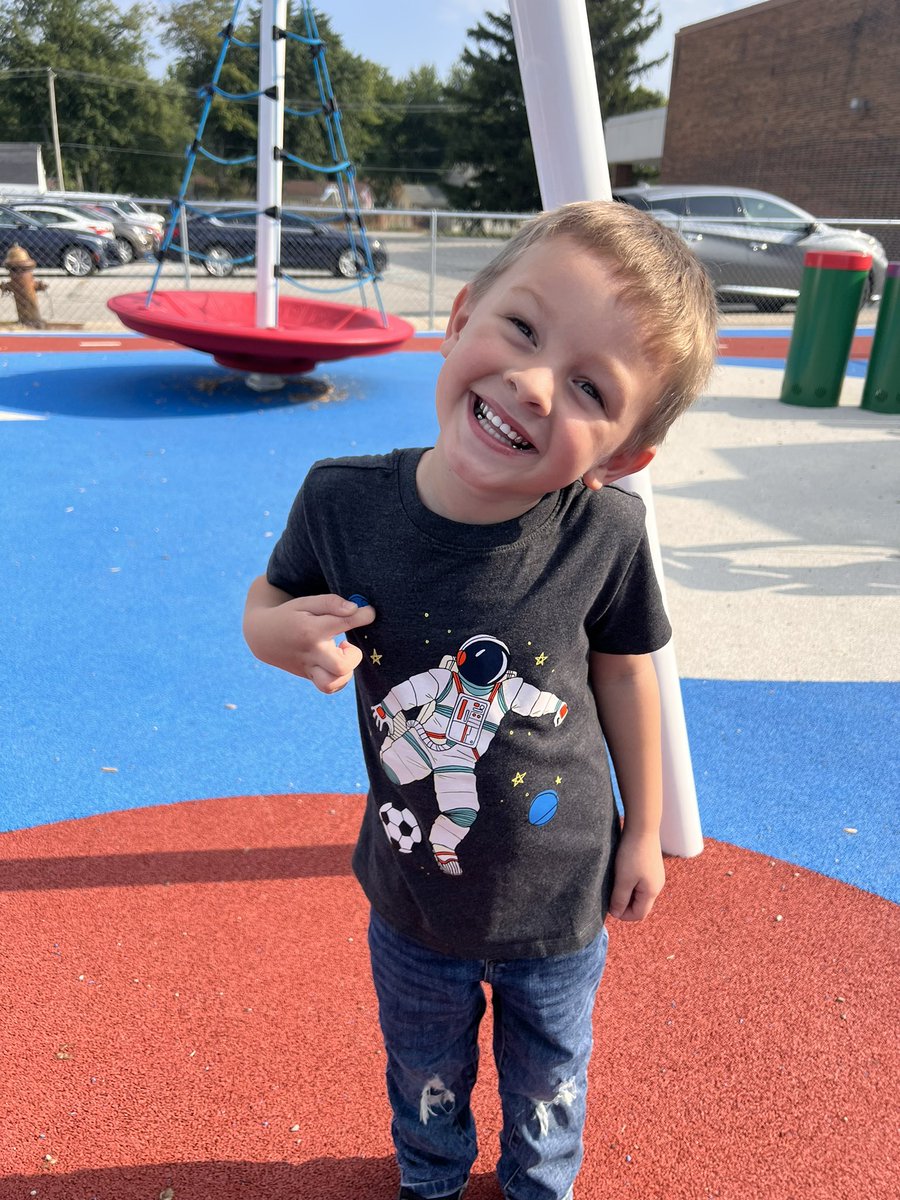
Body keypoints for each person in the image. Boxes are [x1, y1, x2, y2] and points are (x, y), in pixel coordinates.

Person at [243, 200, 718, 1200]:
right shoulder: (344, 502)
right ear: (461, 319)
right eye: (522, 328)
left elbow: (621, 674)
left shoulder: (605, 535)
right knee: (423, 1064)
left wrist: (644, 834)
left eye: (591, 387)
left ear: (623, 452)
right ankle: (432, 1179)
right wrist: (273, 634)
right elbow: (270, 602)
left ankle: (541, 1187)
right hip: (415, 895)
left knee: (549, 1072)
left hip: (561, 897)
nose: (534, 385)